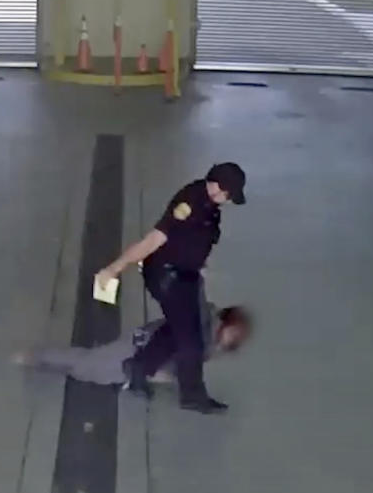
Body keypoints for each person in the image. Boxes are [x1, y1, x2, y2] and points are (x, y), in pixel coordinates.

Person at [95, 162, 246, 414]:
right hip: (167, 277)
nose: (229, 201)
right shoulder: (188, 204)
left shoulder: (212, 205)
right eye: (229, 194)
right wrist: (115, 268)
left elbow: (199, 239)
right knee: (191, 340)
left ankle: (138, 370)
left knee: (177, 330)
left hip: (186, 275)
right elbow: (153, 240)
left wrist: (200, 264)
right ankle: (192, 396)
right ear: (216, 186)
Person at [15, 290, 251, 389]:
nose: (231, 339)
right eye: (233, 333)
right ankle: (36, 357)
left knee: (94, 371)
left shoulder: (212, 343)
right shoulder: (203, 327)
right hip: (138, 348)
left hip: (141, 356)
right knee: (88, 367)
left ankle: (42, 360)